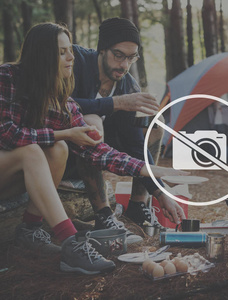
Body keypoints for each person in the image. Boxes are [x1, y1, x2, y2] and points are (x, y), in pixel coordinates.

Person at [0, 23, 187, 274]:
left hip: (17, 178)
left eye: (70, 50)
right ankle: (71, 242)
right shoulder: (9, 76)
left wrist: (151, 171)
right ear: (43, 54)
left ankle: (30, 230)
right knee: (36, 150)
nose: (71, 57)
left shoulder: (59, 97)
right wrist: (66, 133)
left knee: (59, 150)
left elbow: (96, 150)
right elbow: (6, 133)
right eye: (62, 52)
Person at [65, 17, 183, 232]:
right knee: (91, 125)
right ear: (102, 49)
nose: (124, 65)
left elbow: (137, 144)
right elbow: (58, 104)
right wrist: (115, 103)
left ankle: (138, 204)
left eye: (131, 58)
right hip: (62, 148)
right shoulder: (75, 62)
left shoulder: (127, 84)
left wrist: (160, 192)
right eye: (118, 55)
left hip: (105, 152)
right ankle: (103, 215)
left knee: (155, 124)